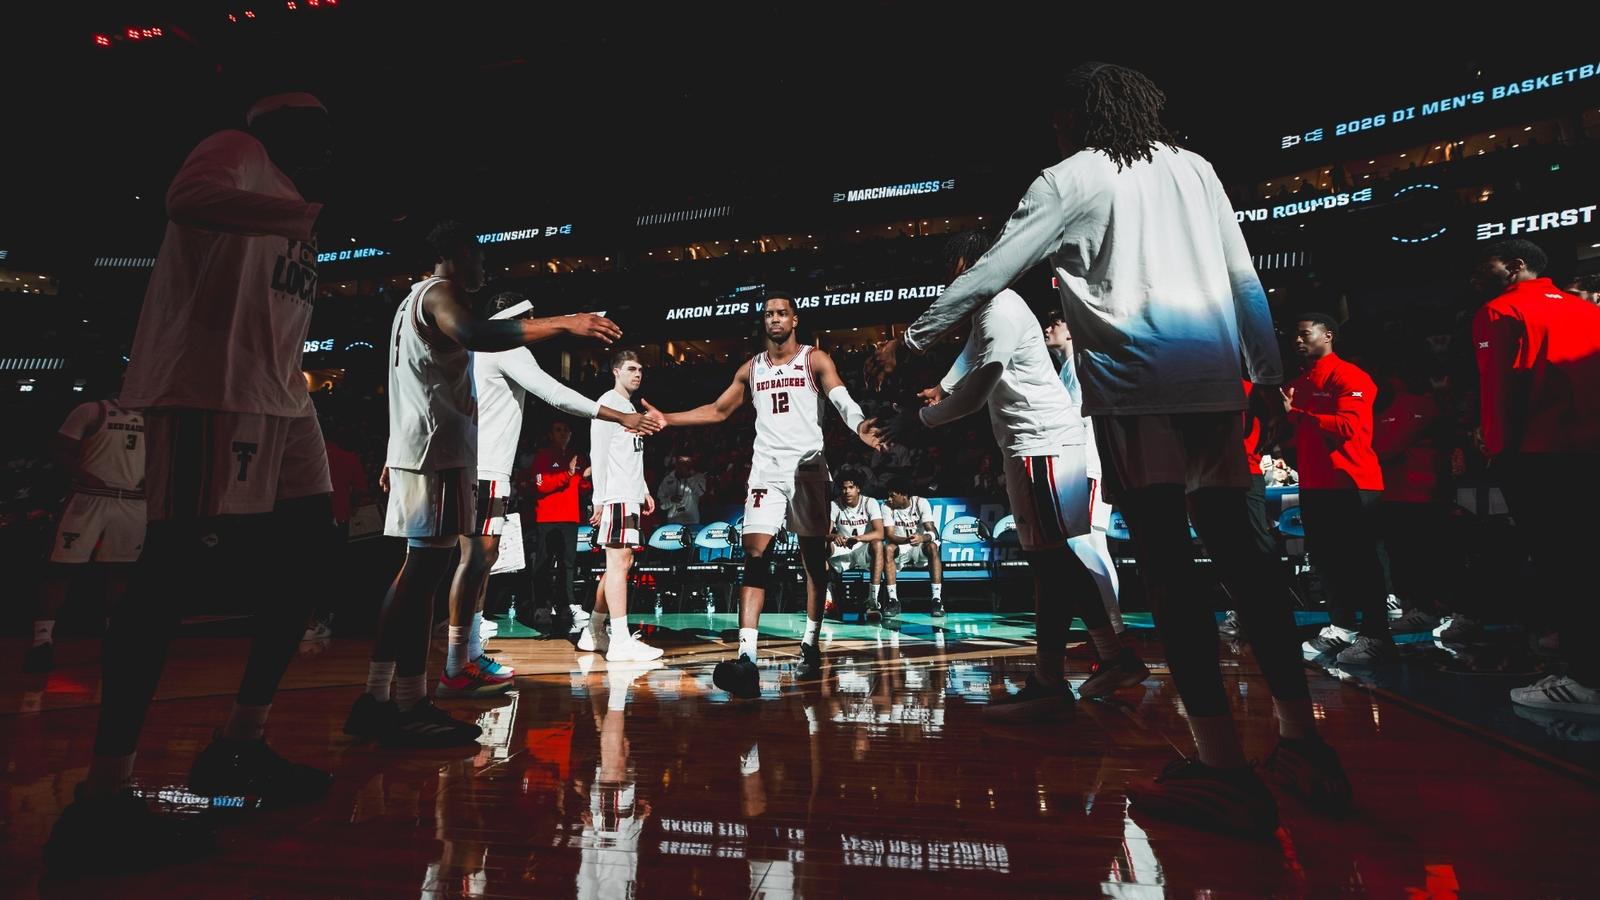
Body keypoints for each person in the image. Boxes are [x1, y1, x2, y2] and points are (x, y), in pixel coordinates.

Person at [870, 62, 1347, 835]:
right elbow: (1245, 280)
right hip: (1216, 385)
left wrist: (912, 338)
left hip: (1137, 389)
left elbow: (995, 269)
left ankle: (1221, 767)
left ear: (1078, 118)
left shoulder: (1068, 178)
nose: (1054, 132)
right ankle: (1303, 745)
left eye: (1059, 120)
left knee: (1170, 576)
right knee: (1247, 566)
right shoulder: (1196, 168)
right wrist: (1264, 375)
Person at [46, 92, 342, 872]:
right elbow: (186, 198)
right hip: (210, 389)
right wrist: (297, 217)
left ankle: (241, 743)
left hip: (281, 396)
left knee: (312, 548)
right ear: (274, 121)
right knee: (169, 575)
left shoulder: (276, 188)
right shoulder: (234, 150)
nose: (323, 130)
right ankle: (102, 799)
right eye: (308, 116)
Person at [344, 221, 626, 746]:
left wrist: (390, 450)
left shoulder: (411, 303)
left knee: (422, 576)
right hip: (441, 453)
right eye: (478, 254)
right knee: (428, 575)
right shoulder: (442, 295)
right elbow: (480, 335)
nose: (484, 267)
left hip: (425, 449)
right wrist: (566, 324)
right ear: (453, 253)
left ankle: (398, 697)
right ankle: (399, 696)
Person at [884, 231, 1145, 713]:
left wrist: (919, 421)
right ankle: (1098, 661)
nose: (955, 283)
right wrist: (941, 388)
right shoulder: (993, 309)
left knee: (1052, 563)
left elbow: (982, 382)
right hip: (1035, 443)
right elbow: (971, 357)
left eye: (957, 272)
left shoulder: (1000, 308)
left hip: (1040, 445)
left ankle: (1079, 671)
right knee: (1054, 562)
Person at [648, 293, 880, 697]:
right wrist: (667, 418)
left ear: (794, 319)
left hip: (808, 469)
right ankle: (747, 658)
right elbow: (719, 410)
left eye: (781, 313)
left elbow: (841, 398)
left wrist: (859, 424)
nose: (774, 319)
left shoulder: (814, 359)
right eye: (769, 314)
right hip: (766, 472)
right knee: (754, 553)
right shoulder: (751, 368)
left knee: (814, 561)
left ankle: (810, 642)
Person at [447, 293, 657, 686]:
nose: (534, 324)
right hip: (486, 467)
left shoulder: (478, 349)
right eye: (530, 317)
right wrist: (618, 415)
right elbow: (555, 394)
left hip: (471, 463)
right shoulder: (505, 344)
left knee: (476, 559)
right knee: (476, 559)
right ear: (519, 317)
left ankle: (467, 655)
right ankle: (459, 660)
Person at [1471, 239, 1600, 713]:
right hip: (1591, 451)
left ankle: (1586, 681)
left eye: (1484, 264)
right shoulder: (1585, 309)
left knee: (1562, 565)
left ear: (1517, 265)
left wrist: (1496, 445)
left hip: (1540, 454)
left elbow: (1500, 387)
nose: (1475, 275)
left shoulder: (1499, 311)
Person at [1285, 313, 1393, 665]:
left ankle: (1377, 635)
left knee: (1361, 561)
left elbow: (1349, 427)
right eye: (1295, 336)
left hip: (1353, 482)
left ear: (1327, 334)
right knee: (1328, 560)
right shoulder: (1300, 382)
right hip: (1317, 484)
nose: (1297, 340)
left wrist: (1299, 413)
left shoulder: (1349, 376)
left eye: (1305, 334)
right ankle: (1342, 627)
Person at [25, 394, 145, 674]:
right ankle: (42, 641)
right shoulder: (93, 410)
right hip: (90, 497)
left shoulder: (156, 416)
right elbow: (58, 449)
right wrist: (83, 475)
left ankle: (116, 640)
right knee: (60, 569)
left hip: (132, 501)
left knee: (122, 572)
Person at [577, 350, 665, 662]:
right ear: (616, 372)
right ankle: (620, 640)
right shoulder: (608, 405)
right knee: (617, 564)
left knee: (622, 564)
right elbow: (598, 455)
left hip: (628, 493)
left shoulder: (627, 406)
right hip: (614, 495)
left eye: (640, 369)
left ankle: (594, 630)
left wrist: (643, 489)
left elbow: (629, 454)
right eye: (631, 368)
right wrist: (598, 500)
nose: (637, 374)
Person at [524, 420, 588, 631]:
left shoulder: (578, 458)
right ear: (550, 434)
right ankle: (542, 607)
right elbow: (542, 485)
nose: (563, 433)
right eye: (558, 429)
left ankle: (566, 606)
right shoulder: (543, 456)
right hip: (547, 519)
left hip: (570, 519)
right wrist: (568, 474)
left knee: (568, 564)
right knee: (543, 564)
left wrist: (587, 478)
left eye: (566, 430)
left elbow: (582, 488)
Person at [878, 478, 942, 619]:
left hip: (920, 545)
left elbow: (933, 532)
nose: (889, 499)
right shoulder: (886, 506)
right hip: (901, 546)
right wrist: (907, 540)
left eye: (892, 495)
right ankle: (893, 600)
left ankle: (937, 600)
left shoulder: (921, 502)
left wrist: (921, 538)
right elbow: (889, 535)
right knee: (887, 549)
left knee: (932, 546)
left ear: (904, 495)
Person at [824, 475, 887, 618]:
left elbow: (880, 533)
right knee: (821, 546)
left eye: (851, 487)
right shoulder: (835, 504)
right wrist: (835, 536)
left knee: (878, 544)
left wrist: (858, 538)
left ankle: (873, 600)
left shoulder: (870, 503)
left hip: (863, 549)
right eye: (844, 488)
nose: (847, 491)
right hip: (843, 548)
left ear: (858, 489)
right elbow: (825, 533)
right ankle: (828, 600)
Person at [656, 455, 708, 525]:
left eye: (687, 461)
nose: (684, 464)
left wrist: (689, 477)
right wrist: (671, 500)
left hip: (692, 521)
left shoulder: (699, 477)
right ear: (676, 462)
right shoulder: (667, 479)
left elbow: (700, 493)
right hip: (673, 521)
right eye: (681, 461)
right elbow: (661, 505)